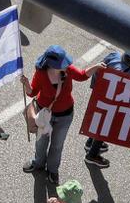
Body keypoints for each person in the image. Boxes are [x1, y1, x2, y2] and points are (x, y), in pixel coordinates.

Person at [21, 46, 103, 186]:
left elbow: (82, 75)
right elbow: (32, 92)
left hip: (65, 116)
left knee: (57, 145)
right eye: (62, 63)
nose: (66, 65)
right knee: (41, 142)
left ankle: (53, 170)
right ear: (52, 64)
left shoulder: (68, 70)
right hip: (44, 115)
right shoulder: (41, 73)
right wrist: (26, 84)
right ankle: (38, 163)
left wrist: (96, 67)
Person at [82, 52, 130, 168]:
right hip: (112, 105)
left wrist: (95, 88)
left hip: (99, 95)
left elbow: (98, 70)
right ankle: (92, 155)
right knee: (104, 129)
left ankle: (90, 143)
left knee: (97, 121)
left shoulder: (113, 56)